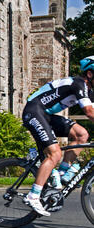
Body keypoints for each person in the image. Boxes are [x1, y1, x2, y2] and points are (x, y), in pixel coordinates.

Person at [22, 56, 94, 216]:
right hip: (33, 111)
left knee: (82, 134)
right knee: (54, 154)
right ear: (89, 74)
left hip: (46, 115)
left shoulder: (88, 91)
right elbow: (89, 112)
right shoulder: (78, 84)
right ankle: (33, 196)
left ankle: (61, 174)